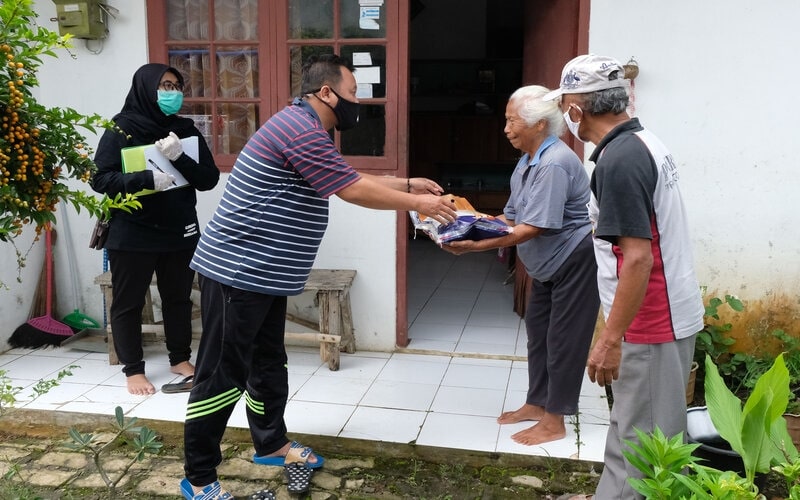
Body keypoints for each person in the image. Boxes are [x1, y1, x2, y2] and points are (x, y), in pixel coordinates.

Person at [180, 54, 457, 500]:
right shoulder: (297, 128)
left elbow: (343, 174)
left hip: (266, 274)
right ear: (326, 92)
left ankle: (270, 443)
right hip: (239, 271)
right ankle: (199, 478)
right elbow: (349, 189)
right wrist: (417, 206)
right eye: (351, 93)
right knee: (221, 373)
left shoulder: (309, 130)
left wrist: (407, 184)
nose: (356, 103)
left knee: (268, 362)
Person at [544, 54, 704, 499]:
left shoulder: (617, 162)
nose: (565, 115)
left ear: (579, 109)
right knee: (636, 427)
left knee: (642, 445)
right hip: (664, 314)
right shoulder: (645, 143)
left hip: (651, 321)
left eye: (566, 106)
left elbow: (637, 259)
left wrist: (611, 338)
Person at [441, 85, 600, 446]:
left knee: (563, 341)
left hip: (574, 260)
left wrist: (477, 246)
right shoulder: (528, 162)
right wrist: (464, 223)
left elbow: (534, 227)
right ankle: (536, 403)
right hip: (545, 264)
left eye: (513, 121)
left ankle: (555, 420)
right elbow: (510, 217)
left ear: (539, 124)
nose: (506, 128)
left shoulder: (554, 164)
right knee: (538, 335)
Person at [92, 63, 220, 396]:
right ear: (147, 88)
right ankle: (133, 369)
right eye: (165, 85)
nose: (172, 92)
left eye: (177, 86)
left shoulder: (186, 129)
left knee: (178, 299)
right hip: (132, 231)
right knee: (128, 302)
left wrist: (180, 157)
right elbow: (100, 179)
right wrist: (145, 180)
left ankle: (180, 359)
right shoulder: (121, 129)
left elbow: (208, 179)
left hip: (179, 229)